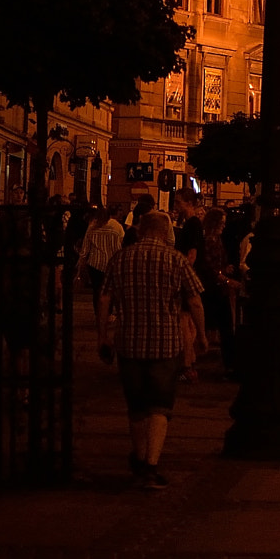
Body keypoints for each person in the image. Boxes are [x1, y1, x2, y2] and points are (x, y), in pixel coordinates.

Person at [98, 208, 205, 490]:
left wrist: (102, 336)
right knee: (160, 405)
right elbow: (194, 300)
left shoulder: (121, 259)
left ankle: (140, 456)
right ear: (164, 231)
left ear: (141, 229)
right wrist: (201, 335)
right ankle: (150, 465)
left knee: (136, 406)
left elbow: (105, 297)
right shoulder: (176, 260)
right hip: (165, 344)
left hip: (129, 342)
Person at [79, 202, 126, 324]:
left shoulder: (92, 226)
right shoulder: (116, 226)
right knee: (110, 290)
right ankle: (109, 313)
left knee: (97, 290)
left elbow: (85, 248)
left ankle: (98, 314)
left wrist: (82, 260)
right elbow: (121, 244)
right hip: (112, 263)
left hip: (94, 264)